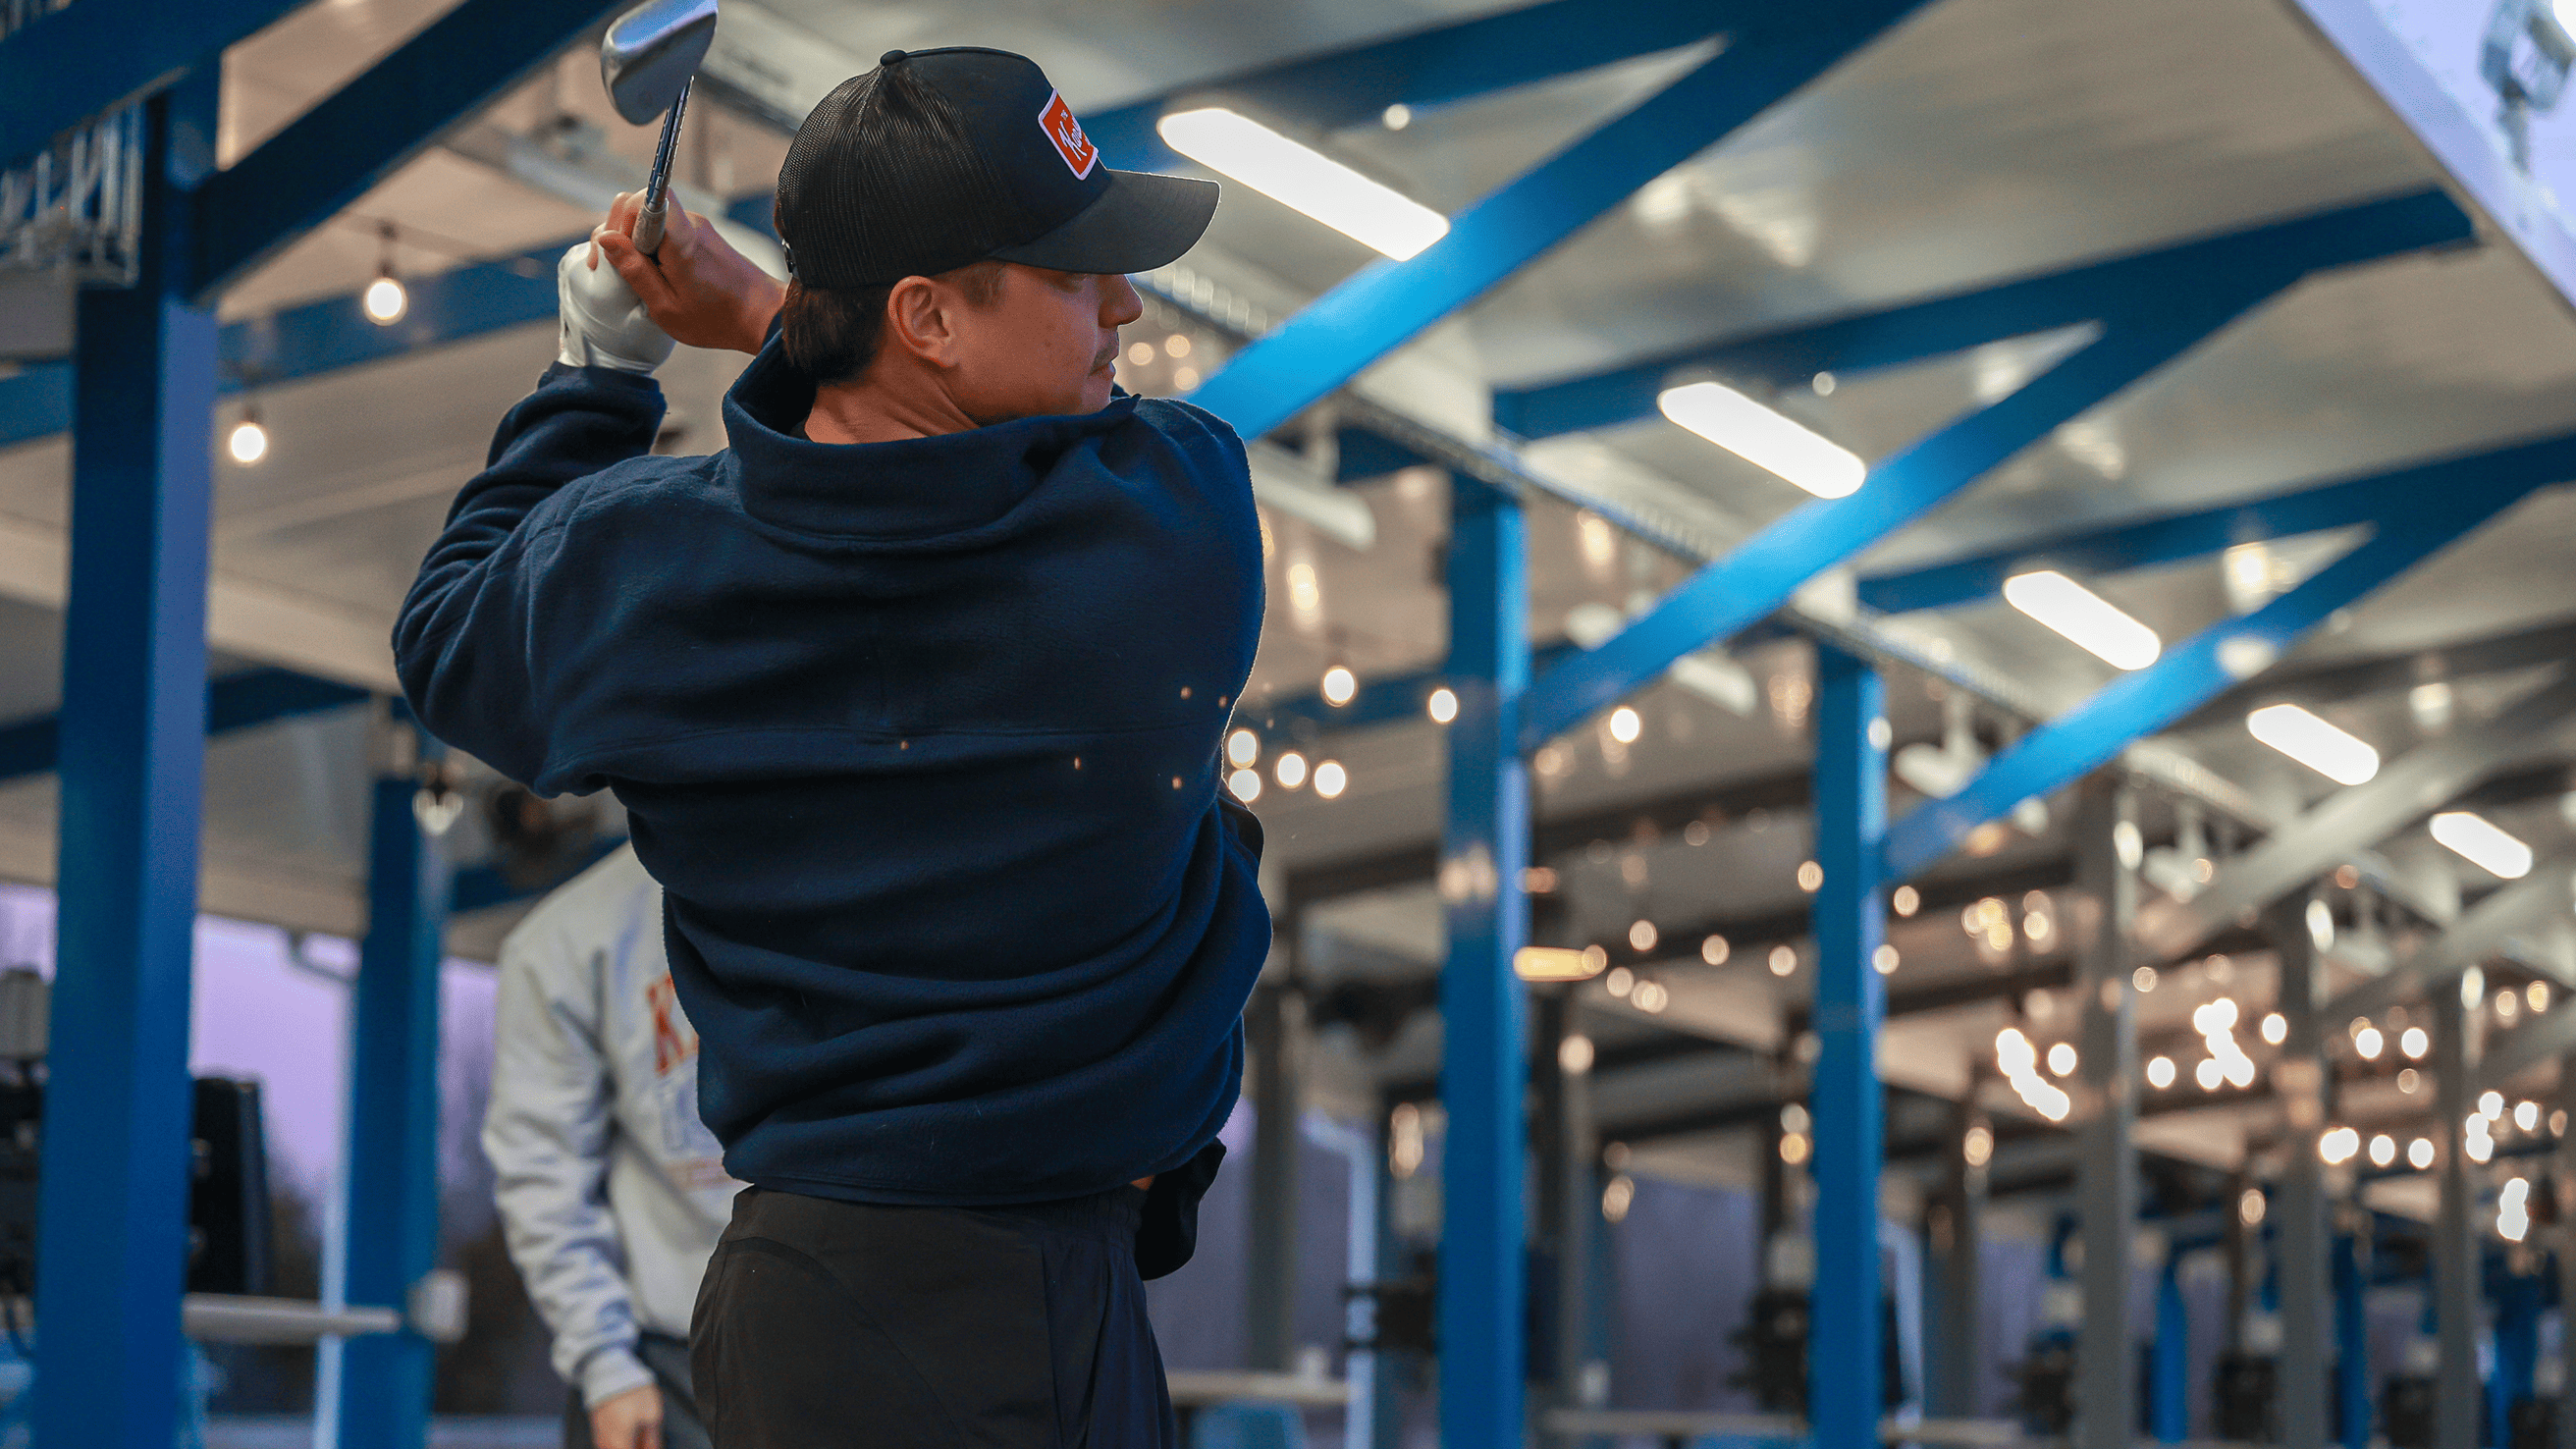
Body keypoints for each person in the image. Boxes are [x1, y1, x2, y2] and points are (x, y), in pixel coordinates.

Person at [397, 46, 1266, 1447]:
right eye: (1071, 272)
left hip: (822, 1305)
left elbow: (447, 635)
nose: (1122, 303)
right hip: (1060, 1282)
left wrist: (595, 376)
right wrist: (769, 315)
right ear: (923, 315)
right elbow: (973, 475)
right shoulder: (1175, 526)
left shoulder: (649, 569)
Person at [485, 844, 735, 1449]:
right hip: (671, 1366)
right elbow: (541, 1174)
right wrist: (606, 1367)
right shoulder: (565, 940)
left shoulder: (849, 882)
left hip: (851, 1335)